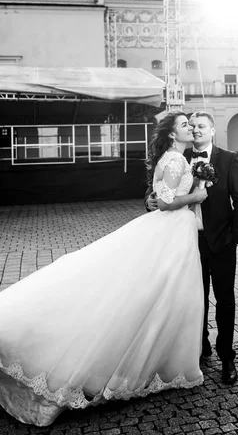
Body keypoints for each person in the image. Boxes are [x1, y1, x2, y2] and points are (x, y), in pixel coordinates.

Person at [0, 111, 207, 427]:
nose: (190, 129)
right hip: (173, 230)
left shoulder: (173, 158)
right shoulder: (176, 160)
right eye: (184, 125)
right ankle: (156, 363)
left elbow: (158, 196)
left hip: (173, 230)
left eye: (191, 125)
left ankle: (162, 359)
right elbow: (164, 202)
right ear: (171, 134)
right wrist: (199, 195)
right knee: (165, 296)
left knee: (162, 295)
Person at [146, 111, 238, 385]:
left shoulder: (228, 159)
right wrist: (150, 202)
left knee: (225, 300)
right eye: (192, 126)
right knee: (195, 299)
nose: (196, 130)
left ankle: (226, 355)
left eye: (202, 126)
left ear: (213, 130)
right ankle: (200, 348)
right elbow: (161, 191)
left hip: (222, 241)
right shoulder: (180, 157)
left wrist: (235, 237)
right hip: (189, 240)